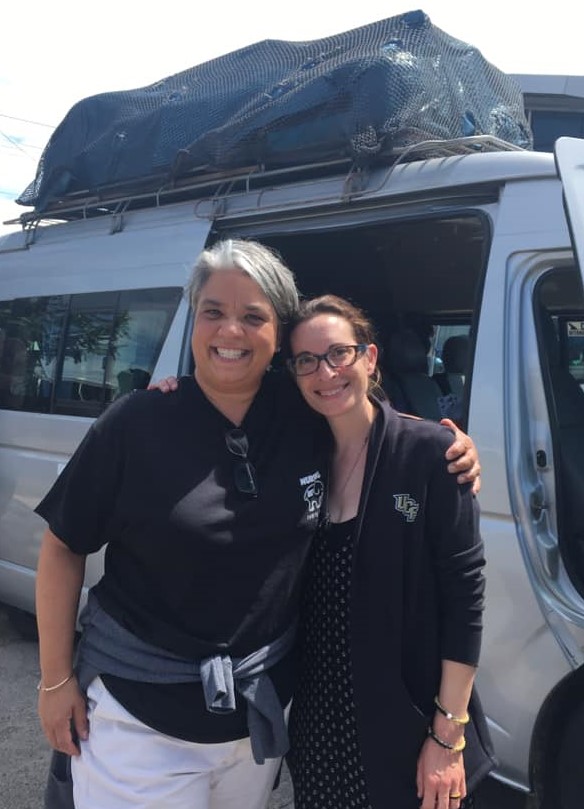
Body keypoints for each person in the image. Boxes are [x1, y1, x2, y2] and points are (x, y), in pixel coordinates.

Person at [34, 239, 480, 809]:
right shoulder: (137, 422)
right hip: (138, 718)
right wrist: (55, 680)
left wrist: (448, 446)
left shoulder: (299, 413)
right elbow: (62, 546)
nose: (231, 332)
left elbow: (366, 414)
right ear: (193, 319)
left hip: (255, 725)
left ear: (277, 338)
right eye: (214, 312)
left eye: (253, 316)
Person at [283, 294, 494, 809]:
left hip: (408, 722)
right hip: (318, 722)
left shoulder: (429, 453)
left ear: (370, 358)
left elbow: (465, 599)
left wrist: (448, 737)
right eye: (307, 360)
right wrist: (169, 392)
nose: (326, 372)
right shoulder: (295, 454)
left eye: (339, 353)